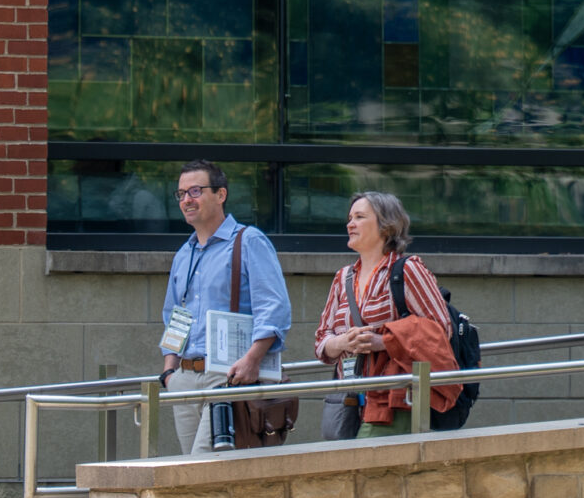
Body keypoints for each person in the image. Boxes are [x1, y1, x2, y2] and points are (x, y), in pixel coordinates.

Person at [157, 160, 291, 453]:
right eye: (181, 194)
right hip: (185, 380)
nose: (187, 200)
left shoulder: (248, 241)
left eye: (195, 190)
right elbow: (174, 316)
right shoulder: (184, 254)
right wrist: (170, 372)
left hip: (228, 375)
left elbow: (274, 307)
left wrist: (253, 359)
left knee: (207, 463)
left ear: (221, 194)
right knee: (190, 470)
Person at [311, 191, 460, 439]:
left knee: (367, 469)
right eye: (350, 217)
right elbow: (320, 342)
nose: (350, 224)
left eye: (359, 217)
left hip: (391, 400)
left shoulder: (407, 270)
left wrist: (384, 342)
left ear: (385, 225)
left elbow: (440, 330)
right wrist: (342, 342)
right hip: (347, 400)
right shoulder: (343, 277)